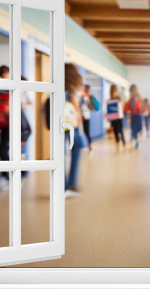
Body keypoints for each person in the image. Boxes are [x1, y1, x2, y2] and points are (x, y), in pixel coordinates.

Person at [64, 63, 84, 198]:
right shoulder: (72, 88)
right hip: (71, 125)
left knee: (59, 156)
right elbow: (75, 104)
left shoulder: (56, 85)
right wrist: (80, 119)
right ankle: (72, 184)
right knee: (77, 149)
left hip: (58, 123)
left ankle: (63, 186)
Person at [106, 84, 126, 150]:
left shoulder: (118, 98)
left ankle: (122, 141)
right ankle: (119, 142)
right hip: (115, 117)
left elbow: (121, 105)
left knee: (118, 130)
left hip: (117, 116)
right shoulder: (111, 99)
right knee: (116, 130)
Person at [81, 84, 100, 152]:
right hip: (81, 116)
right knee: (82, 131)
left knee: (87, 132)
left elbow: (92, 107)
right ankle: (83, 145)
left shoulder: (90, 97)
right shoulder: (81, 96)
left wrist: (88, 99)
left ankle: (90, 146)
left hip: (86, 116)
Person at [125, 84, 142, 149]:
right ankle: (133, 137)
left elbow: (140, 106)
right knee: (133, 128)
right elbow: (128, 107)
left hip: (137, 115)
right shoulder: (131, 98)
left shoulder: (138, 97)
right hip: (133, 115)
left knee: (136, 129)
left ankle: (135, 139)